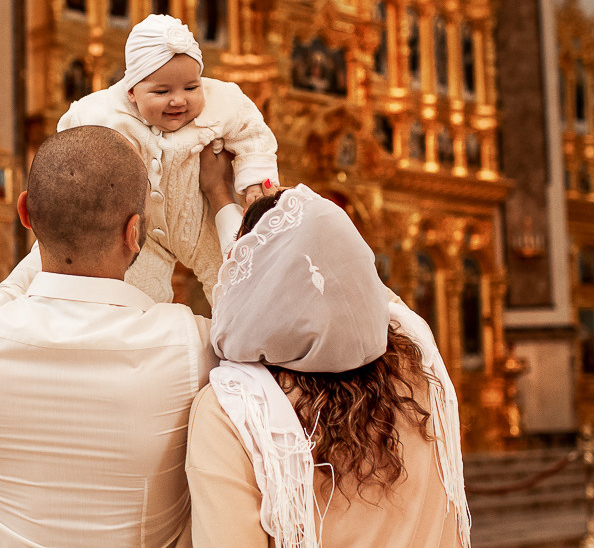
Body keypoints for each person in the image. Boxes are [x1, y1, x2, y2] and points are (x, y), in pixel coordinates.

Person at [0, 126, 240, 547]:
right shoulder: (186, 343)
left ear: (24, 214)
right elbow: (252, 312)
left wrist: (58, 213)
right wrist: (222, 200)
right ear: (134, 233)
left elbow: (17, 283)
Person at [185, 185, 471, 548]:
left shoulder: (235, 414)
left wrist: (227, 204)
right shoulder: (418, 372)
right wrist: (286, 221)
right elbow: (354, 290)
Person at [57, 14, 279, 304]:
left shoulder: (222, 101)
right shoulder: (104, 112)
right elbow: (70, 140)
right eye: (162, 91)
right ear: (132, 91)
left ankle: (241, 332)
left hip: (201, 217)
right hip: (136, 228)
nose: (179, 100)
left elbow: (251, 133)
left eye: (191, 87)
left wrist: (254, 179)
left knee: (235, 279)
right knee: (138, 296)